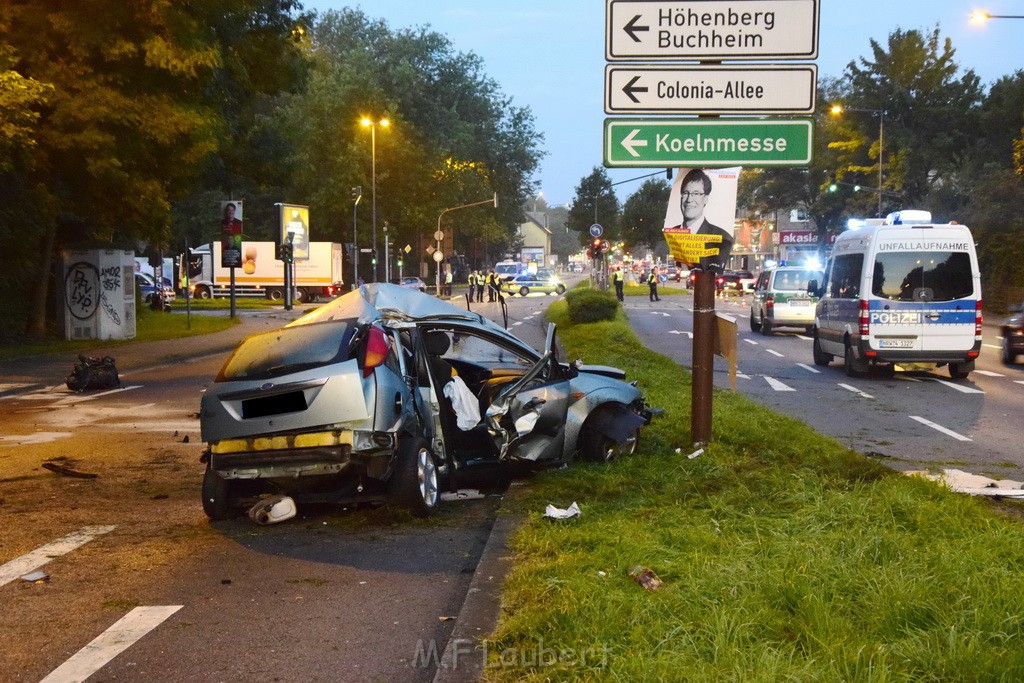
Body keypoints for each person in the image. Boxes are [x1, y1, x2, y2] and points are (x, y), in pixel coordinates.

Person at [672, 168, 734, 271]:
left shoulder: (721, 236)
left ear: (706, 198)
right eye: (685, 193)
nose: (689, 199)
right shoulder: (672, 233)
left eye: (696, 193)